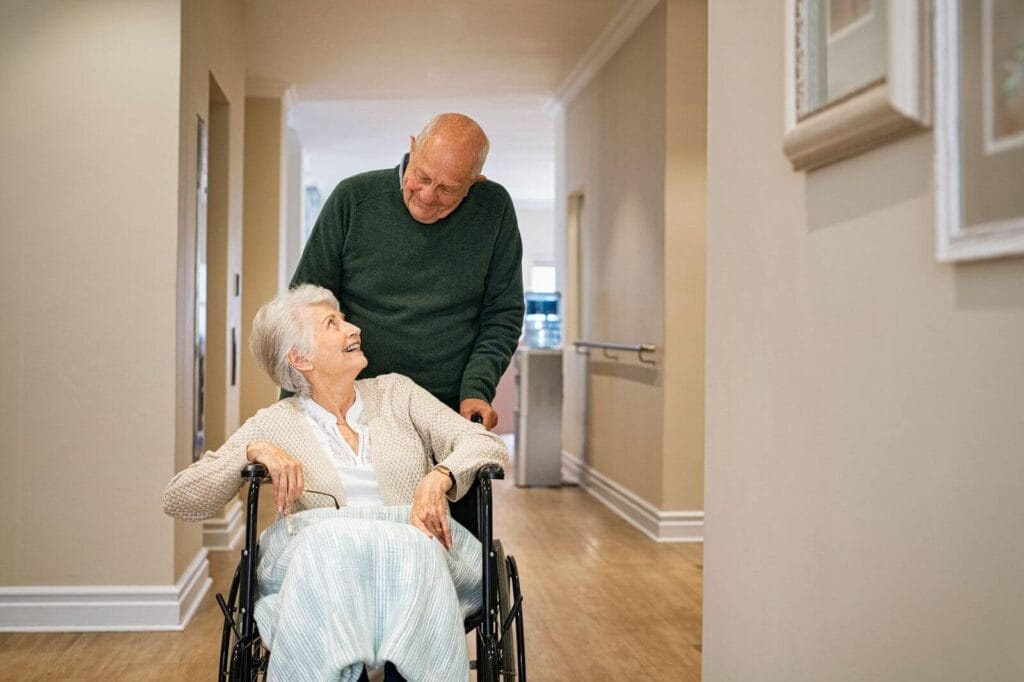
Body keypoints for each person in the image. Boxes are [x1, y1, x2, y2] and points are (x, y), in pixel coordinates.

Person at [163, 284, 508, 680]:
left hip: (412, 560)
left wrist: (439, 477)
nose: (353, 329)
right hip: (323, 563)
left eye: (343, 319)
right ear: (300, 357)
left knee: (415, 543)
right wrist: (252, 451)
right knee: (328, 545)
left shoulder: (397, 393)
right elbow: (180, 499)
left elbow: (484, 444)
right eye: (333, 324)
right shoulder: (275, 423)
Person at [289, 112, 524, 432]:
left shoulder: (493, 209)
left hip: (446, 409)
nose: (427, 197)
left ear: (474, 183)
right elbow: (304, 308)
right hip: (352, 407)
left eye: (446, 189)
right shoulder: (354, 199)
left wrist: (476, 390)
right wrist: (291, 408)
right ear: (412, 147)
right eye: (422, 177)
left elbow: (503, 314)